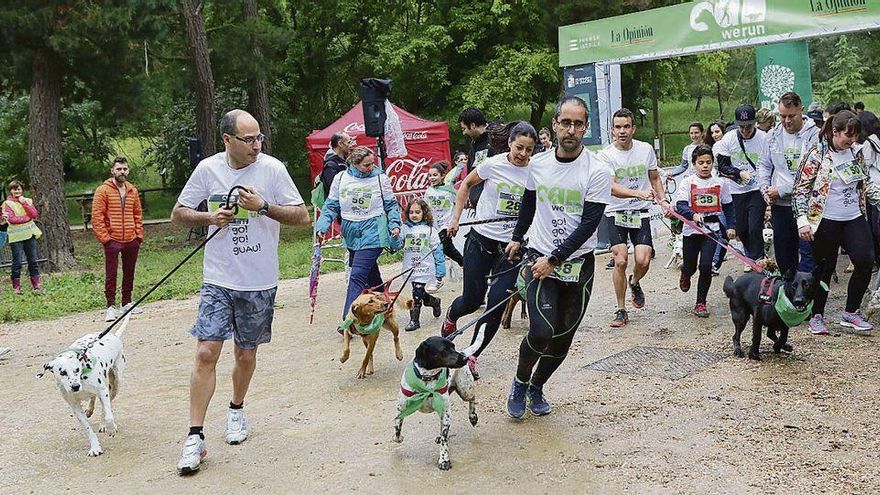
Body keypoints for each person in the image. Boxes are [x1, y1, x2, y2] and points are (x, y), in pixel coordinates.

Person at [172, 109, 310, 475]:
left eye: (259, 137)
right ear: (227, 140)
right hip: (218, 277)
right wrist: (208, 218)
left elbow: (303, 216)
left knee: (245, 356)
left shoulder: (272, 169)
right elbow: (178, 213)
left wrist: (263, 206)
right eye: (248, 139)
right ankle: (195, 436)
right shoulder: (208, 169)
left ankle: (236, 409)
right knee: (205, 352)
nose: (256, 145)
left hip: (259, 281)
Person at [503, 95, 611, 418]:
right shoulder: (539, 164)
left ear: (586, 128)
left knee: (562, 339)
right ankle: (520, 383)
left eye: (578, 124)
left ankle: (537, 386)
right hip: (539, 259)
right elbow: (529, 204)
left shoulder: (597, 170)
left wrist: (556, 258)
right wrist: (517, 238)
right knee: (540, 331)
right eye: (566, 122)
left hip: (577, 264)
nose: (571, 130)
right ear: (555, 124)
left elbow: (589, 223)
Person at [444, 121, 537, 378]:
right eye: (519, 147)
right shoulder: (492, 165)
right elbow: (465, 185)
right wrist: (455, 219)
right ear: (509, 143)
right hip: (481, 239)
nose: (523, 154)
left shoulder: (536, 172)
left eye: (529, 150)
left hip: (512, 247)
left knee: (496, 305)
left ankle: (472, 354)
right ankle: (452, 315)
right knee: (473, 300)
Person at [794, 110, 880, 336]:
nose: (852, 140)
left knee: (865, 260)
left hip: (853, 216)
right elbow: (800, 190)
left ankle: (851, 311)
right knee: (824, 268)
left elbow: (865, 182)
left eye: (855, 136)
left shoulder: (856, 153)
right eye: (847, 136)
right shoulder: (816, 154)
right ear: (834, 132)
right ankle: (817, 315)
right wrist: (802, 221)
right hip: (824, 220)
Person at [314, 146, 402, 322]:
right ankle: (386, 308)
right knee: (372, 275)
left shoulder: (380, 178)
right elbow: (331, 206)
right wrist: (322, 226)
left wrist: (394, 224)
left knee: (357, 276)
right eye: (366, 165)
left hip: (375, 231)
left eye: (372, 163)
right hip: (352, 233)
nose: (371, 167)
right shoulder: (340, 178)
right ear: (354, 163)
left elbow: (391, 205)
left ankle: (348, 320)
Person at [598, 108, 667, 328]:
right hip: (616, 211)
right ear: (612, 130)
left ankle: (634, 282)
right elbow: (611, 187)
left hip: (640, 211)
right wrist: (638, 193)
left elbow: (654, 178)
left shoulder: (645, 149)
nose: (622, 131)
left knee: (643, 260)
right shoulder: (605, 155)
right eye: (617, 127)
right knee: (620, 260)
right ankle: (621, 309)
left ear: (633, 128)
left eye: (626, 126)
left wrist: (663, 200)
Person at [758, 91, 820, 275]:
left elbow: (813, 173)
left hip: (808, 205)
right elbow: (764, 165)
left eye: (791, 116)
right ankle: (788, 296)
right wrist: (764, 190)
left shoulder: (815, 136)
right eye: (782, 116)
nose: (786, 121)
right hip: (780, 206)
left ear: (801, 110)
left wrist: (783, 190)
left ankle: (811, 298)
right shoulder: (772, 135)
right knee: (784, 257)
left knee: (809, 255)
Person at [676, 145, 736, 317]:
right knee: (691, 266)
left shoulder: (720, 183)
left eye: (708, 162)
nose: (704, 166)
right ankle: (685, 272)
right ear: (694, 164)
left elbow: (728, 206)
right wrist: (692, 214)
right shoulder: (688, 182)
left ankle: (701, 302)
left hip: (712, 230)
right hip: (692, 230)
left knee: (705, 266)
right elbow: (680, 205)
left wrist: (731, 226)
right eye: (701, 163)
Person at [91, 157, 145, 322]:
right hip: (112, 239)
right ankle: (110, 307)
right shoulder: (103, 190)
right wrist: (105, 238)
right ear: (112, 171)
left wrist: (138, 235)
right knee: (111, 273)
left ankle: (126, 303)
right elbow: (97, 216)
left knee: (129, 272)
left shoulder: (132, 190)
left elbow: (137, 214)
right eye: (119, 169)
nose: (122, 172)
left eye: (125, 169)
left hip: (131, 238)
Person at [716, 104, 768, 263]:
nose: (745, 130)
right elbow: (722, 165)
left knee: (755, 227)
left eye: (749, 126)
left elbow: (770, 163)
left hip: (756, 189)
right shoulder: (729, 138)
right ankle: (753, 255)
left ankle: (757, 260)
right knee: (741, 231)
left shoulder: (764, 138)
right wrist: (738, 173)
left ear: (755, 124)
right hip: (736, 190)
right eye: (742, 127)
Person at [400, 199, 446, 331]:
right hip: (410, 267)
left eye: (418, 212)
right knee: (420, 293)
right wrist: (394, 236)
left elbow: (437, 250)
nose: (414, 215)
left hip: (425, 267)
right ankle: (434, 301)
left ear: (424, 213)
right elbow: (397, 244)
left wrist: (440, 270)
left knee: (417, 291)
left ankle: (414, 321)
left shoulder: (430, 230)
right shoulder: (405, 228)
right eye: (411, 212)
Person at [2, 180, 42, 294]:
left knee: (33, 261)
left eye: (19, 189)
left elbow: (34, 214)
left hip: (30, 235)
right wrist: (28, 218)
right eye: (14, 189)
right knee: (17, 262)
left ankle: (36, 285)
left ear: (22, 190)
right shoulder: (7, 204)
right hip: (16, 237)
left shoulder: (28, 200)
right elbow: (12, 220)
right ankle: (16, 287)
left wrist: (24, 203)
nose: (17, 191)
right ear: (11, 191)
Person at [423, 161, 463, 267]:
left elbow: (460, 201)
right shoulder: (429, 191)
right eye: (430, 175)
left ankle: (440, 274)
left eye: (435, 175)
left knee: (443, 247)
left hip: (447, 225)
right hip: (434, 225)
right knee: (447, 248)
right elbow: (425, 207)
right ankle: (464, 263)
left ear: (442, 176)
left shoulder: (449, 191)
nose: (432, 178)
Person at [458, 108, 496, 206]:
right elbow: (472, 170)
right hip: (476, 203)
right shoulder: (474, 142)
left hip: (491, 201)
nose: (464, 132)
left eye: (464, 129)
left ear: (473, 125)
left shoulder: (495, 139)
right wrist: (468, 193)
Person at [320, 132, 353, 198]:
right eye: (349, 142)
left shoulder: (348, 160)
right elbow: (333, 189)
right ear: (340, 144)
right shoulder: (330, 165)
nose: (351, 145)